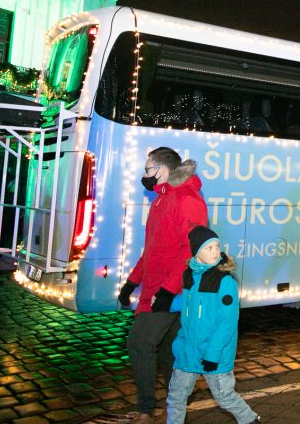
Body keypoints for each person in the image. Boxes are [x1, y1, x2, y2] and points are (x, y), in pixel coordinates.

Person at [119, 148, 208, 421]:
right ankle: (177, 402)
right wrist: (132, 281)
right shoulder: (160, 200)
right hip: (155, 289)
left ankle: (146, 407)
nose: (144, 175)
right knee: (170, 351)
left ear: (162, 170)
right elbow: (152, 249)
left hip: (171, 292)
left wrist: (169, 290)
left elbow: (191, 250)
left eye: (148, 170)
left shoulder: (187, 200)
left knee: (139, 342)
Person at [166, 227, 259, 424]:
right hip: (188, 349)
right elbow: (189, 302)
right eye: (209, 248)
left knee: (224, 396)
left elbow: (227, 323)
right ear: (196, 252)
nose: (216, 251)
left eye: (217, 246)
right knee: (176, 397)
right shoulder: (189, 275)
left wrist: (212, 355)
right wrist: (169, 303)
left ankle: (250, 420)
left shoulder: (225, 281)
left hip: (213, 353)